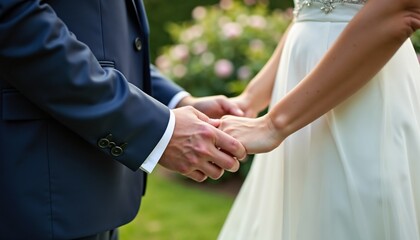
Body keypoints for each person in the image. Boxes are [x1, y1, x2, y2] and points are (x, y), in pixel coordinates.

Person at [0, 0, 247, 239]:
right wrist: (156, 129)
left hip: (90, 197)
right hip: (40, 195)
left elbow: (105, 39)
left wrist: (175, 101)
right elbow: (14, 18)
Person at [218, 0, 420, 239]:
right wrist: (252, 98)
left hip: (364, 86)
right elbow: (307, 12)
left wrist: (274, 124)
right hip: (296, 98)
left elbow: (403, 9)